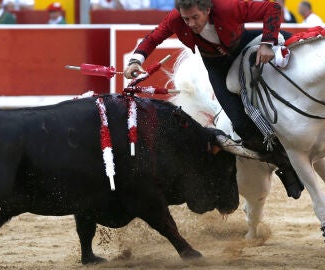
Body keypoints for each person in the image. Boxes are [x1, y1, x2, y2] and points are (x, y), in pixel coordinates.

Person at [124, 0, 305, 199]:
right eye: (186, 19)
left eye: (195, 17)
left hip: (243, 45)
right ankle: (286, 167)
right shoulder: (176, 18)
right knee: (241, 125)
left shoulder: (228, 7)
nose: (191, 23)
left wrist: (267, 43)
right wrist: (135, 61)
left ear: (207, 10)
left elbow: (273, 8)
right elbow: (153, 37)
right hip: (217, 66)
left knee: (293, 42)